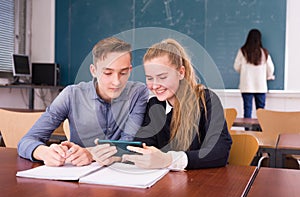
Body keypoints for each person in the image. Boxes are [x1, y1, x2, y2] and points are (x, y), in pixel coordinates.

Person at [18, 37, 149, 167]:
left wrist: (90, 153)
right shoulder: (71, 95)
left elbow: (128, 143)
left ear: (130, 70)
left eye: (123, 73)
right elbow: (26, 141)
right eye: (108, 73)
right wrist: (44, 152)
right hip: (77, 172)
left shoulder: (138, 93)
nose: (116, 81)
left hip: (119, 173)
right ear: (93, 71)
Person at [121, 39, 232, 170]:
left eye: (162, 77)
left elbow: (219, 152)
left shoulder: (207, 100)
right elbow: (143, 145)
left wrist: (169, 160)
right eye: (150, 78)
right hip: (165, 183)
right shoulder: (154, 106)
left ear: (181, 73)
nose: (155, 85)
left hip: (203, 183)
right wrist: (120, 155)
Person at [234, 29, 275, 118]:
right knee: (261, 112)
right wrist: (269, 76)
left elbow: (236, 66)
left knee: (247, 110)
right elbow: (270, 68)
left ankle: (248, 131)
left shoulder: (242, 51)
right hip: (261, 86)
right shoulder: (264, 52)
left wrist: (244, 71)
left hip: (246, 86)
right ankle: (260, 131)